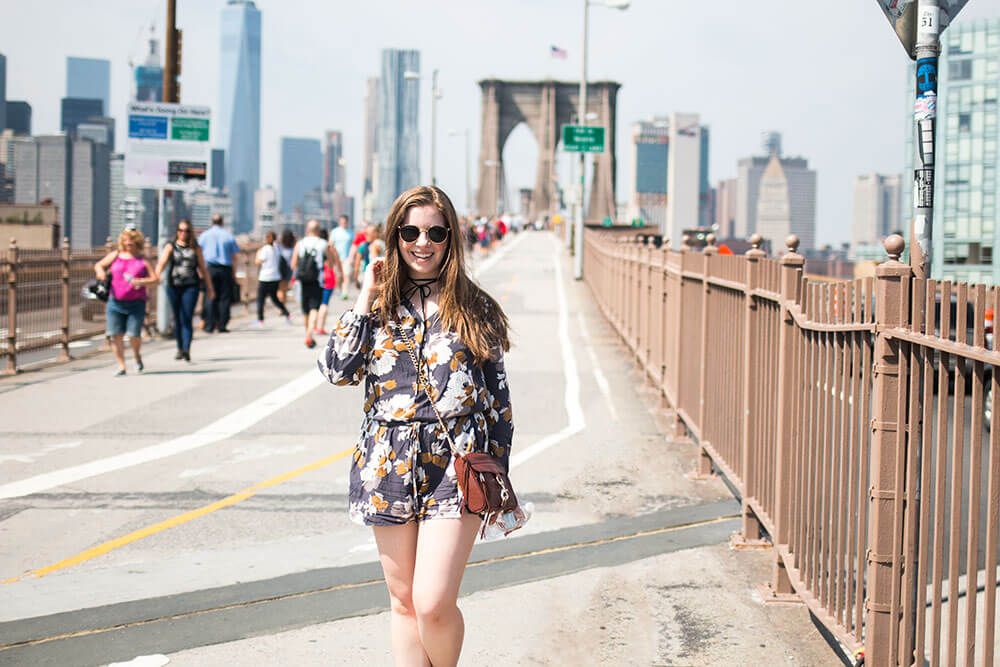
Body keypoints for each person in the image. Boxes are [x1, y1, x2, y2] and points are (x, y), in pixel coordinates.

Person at [318, 185, 519, 666]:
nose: (422, 242)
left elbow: (499, 404)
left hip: (457, 465)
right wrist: (366, 296)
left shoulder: (476, 307)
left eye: (435, 232)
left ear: (451, 239)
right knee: (404, 602)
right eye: (410, 231)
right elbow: (337, 370)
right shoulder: (378, 308)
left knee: (433, 602)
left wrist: (496, 475)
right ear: (395, 237)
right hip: (387, 463)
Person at [95, 228, 159, 376]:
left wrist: (140, 281)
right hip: (115, 300)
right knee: (115, 334)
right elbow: (99, 265)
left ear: (137, 243)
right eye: (126, 241)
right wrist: (101, 272)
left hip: (136, 302)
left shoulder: (142, 260)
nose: (128, 244)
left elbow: (155, 279)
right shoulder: (115, 255)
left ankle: (137, 356)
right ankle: (121, 365)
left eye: (132, 242)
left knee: (134, 334)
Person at [155, 219, 214, 361]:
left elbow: (203, 269)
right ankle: (179, 348)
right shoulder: (171, 247)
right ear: (177, 232)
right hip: (174, 286)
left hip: (191, 285)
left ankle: (187, 348)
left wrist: (210, 288)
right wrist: (156, 277)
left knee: (186, 317)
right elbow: (162, 263)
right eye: (180, 230)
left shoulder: (195, 248)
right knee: (176, 317)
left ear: (190, 232)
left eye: (186, 231)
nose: (183, 233)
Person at [292, 219, 332, 348]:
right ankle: (310, 333)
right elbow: (330, 264)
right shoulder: (323, 244)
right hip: (317, 279)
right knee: (315, 307)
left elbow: (293, 264)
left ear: (307, 230)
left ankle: (307, 333)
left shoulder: (300, 243)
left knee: (305, 309)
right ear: (318, 231)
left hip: (302, 280)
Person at [198, 214, 239, 333]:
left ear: (212, 222)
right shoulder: (228, 235)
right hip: (225, 268)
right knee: (224, 297)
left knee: (210, 296)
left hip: (209, 268)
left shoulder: (204, 236)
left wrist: (200, 271)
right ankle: (222, 325)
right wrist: (234, 273)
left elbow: (198, 253)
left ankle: (209, 325)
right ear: (222, 222)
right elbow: (234, 256)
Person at [254, 231, 291, 326]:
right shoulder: (277, 248)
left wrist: (258, 253)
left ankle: (260, 319)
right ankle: (287, 313)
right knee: (274, 299)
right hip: (275, 277)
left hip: (265, 277)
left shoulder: (265, 249)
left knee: (261, 299)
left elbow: (258, 261)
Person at [314, 229, 344, 336]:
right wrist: (341, 274)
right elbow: (337, 262)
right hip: (329, 276)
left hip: (317, 276)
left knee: (316, 302)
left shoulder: (315, 247)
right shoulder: (330, 248)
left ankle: (313, 325)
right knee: (324, 303)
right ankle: (320, 327)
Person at [331, 214, 354, 300]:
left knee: (346, 275)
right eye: (342, 222)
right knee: (339, 276)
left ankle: (345, 292)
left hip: (347, 257)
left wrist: (352, 257)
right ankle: (341, 290)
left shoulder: (351, 233)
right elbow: (331, 245)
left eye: (345, 222)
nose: (343, 223)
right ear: (340, 222)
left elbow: (353, 245)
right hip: (337, 258)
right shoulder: (335, 232)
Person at [277, 228, 296, 305]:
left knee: (279, 290)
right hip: (289, 270)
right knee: (284, 289)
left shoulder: (279, 247)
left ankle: (281, 307)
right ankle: (283, 306)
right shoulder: (293, 248)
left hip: (280, 269)